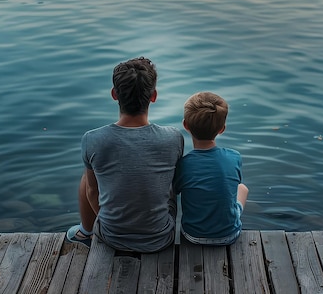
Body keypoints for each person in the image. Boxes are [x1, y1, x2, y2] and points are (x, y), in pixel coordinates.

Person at [66, 57, 184, 253]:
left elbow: (92, 192)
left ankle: (86, 231)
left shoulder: (92, 139)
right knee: (170, 181)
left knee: (87, 179)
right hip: (161, 238)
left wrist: (104, 221)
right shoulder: (173, 137)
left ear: (114, 94)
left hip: (111, 237)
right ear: (153, 96)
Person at [174, 91, 248, 245]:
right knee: (242, 188)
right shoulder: (234, 157)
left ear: (185, 125)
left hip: (192, 236)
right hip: (229, 235)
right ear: (222, 128)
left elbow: (174, 191)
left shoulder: (183, 164)